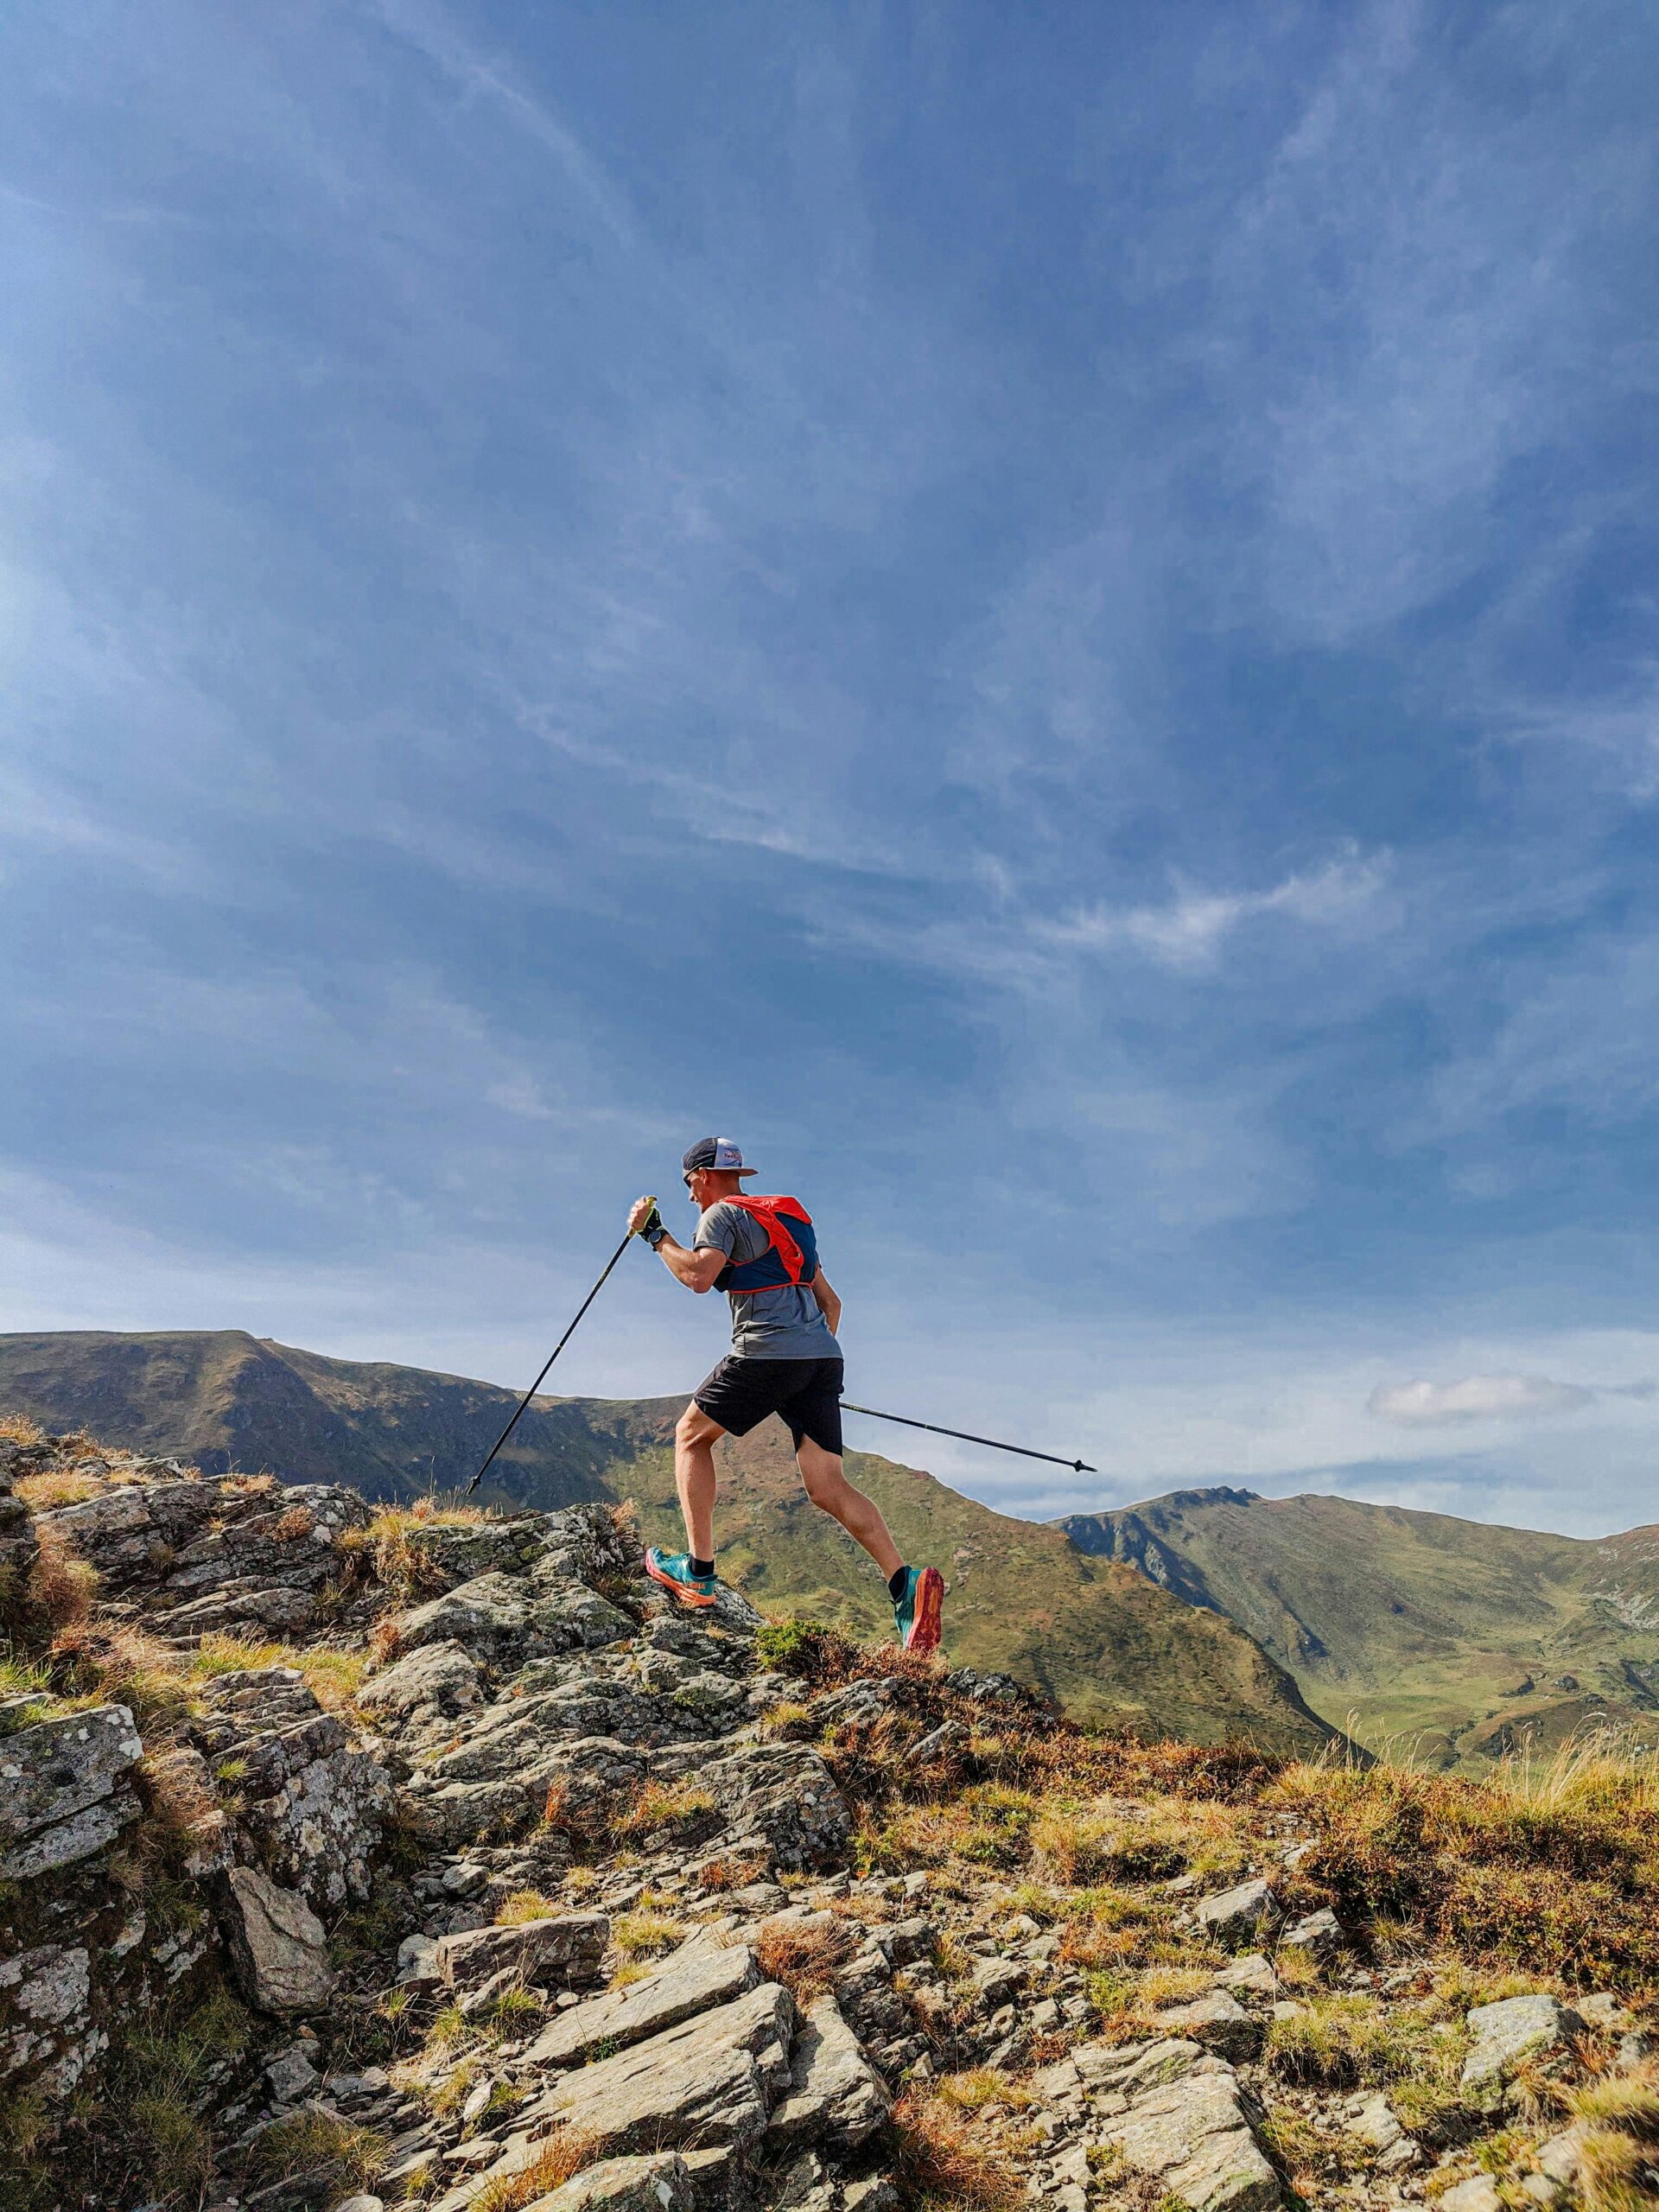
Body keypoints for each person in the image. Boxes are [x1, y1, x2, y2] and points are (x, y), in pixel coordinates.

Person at [627, 1137, 944, 1653]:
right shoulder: (790, 1222)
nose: (690, 1197)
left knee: (689, 1437)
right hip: (821, 1358)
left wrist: (654, 1235)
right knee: (827, 1487)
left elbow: (698, 1277)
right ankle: (903, 1584)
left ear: (704, 1175)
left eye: (689, 1185)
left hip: (767, 1351)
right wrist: (808, 1374)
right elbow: (831, 1303)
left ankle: (698, 1572)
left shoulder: (721, 1216)